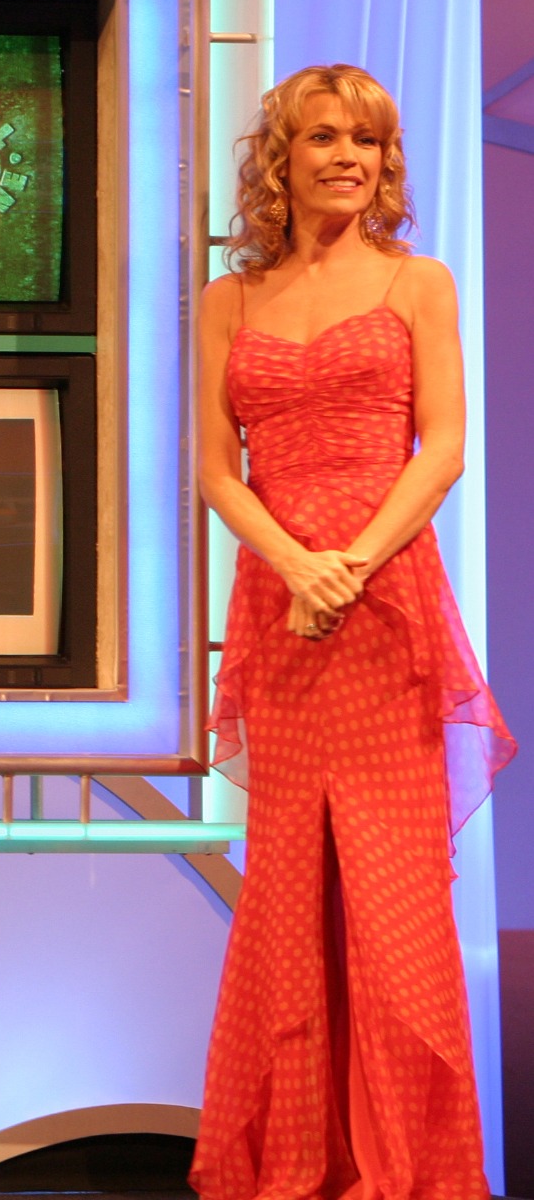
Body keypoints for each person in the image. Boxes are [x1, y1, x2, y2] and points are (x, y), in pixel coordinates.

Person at [188, 64, 517, 1199]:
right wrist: (295, 566)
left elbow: (443, 448)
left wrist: (350, 565)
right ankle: (299, 1158)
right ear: (279, 158)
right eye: (323, 136)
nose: (347, 157)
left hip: (383, 610)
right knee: (288, 883)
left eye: (366, 140)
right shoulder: (227, 301)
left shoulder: (418, 283)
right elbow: (213, 471)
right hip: (280, 614)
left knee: (391, 886)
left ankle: (410, 1166)